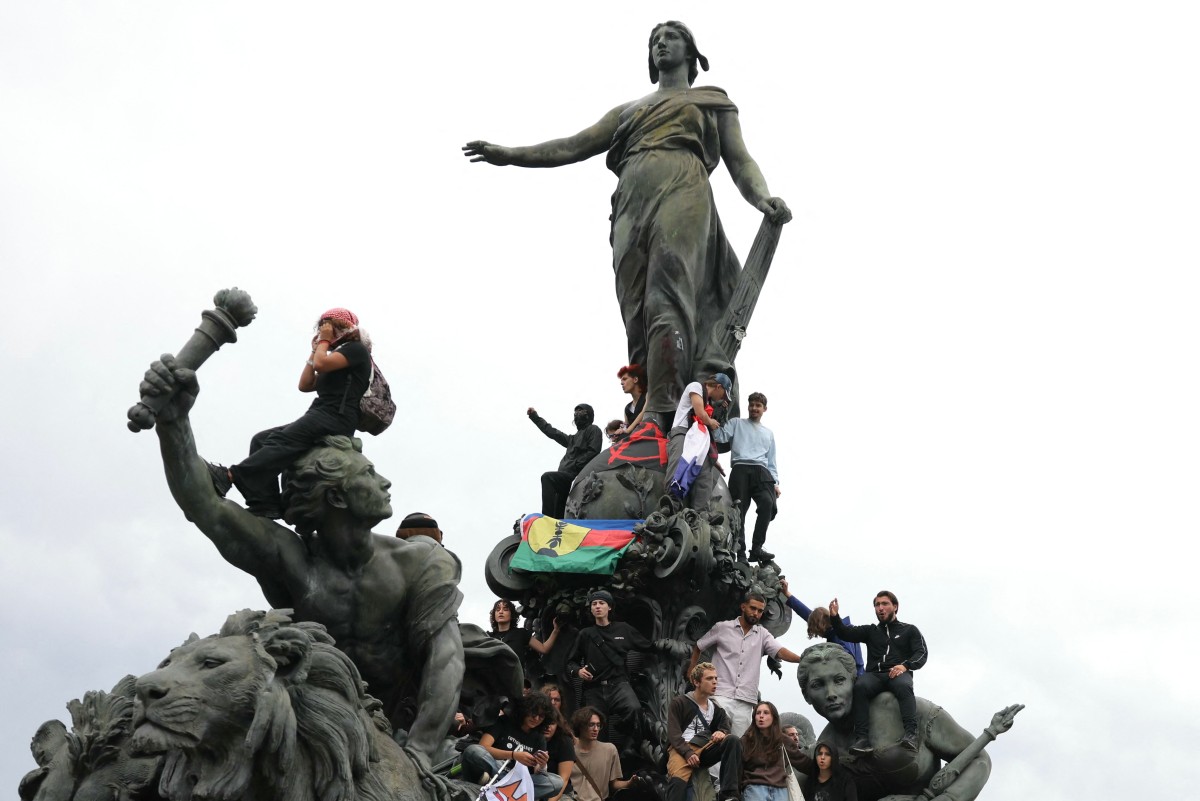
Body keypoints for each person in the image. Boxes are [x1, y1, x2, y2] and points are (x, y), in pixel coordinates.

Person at [139, 356, 470, 765]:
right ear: (336, 496)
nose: (384, 481)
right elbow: (203, 505)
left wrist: (419, 751)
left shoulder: (421, 562)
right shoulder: (290, 561)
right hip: (315, 728)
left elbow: (447, 659)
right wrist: (173, 423)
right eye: (368, 474)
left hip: (409, 730)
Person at [465, 21, 792, 421]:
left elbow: (739, 160)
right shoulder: (629, 111)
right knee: (635, 306)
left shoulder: (711, 101)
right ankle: (644, 403)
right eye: (654, 40)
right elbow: (573, 145)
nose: (660, 44)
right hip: (630, 204)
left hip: (684, 190)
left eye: (670, 38)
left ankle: (665, 404)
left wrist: (762, 197)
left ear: (691, 52)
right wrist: (509, 153)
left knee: (666, 292)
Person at [207, 308, 372, 519]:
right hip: (321, 412)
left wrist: (323, 344)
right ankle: (265, 502)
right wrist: (314, 351)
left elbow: (322, 364)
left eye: (330, 327)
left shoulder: (356, 350)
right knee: (261, 439)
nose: (325, 332)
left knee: (282, 440)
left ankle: (229, 476)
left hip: (337, 417)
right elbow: (305, 384)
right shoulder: (334, 355)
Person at [796, 643, 1010, 801]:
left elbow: (978, 759)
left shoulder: (907, 711)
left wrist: (949, 798)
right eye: (818, 685)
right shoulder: (817, 757)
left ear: (855, 681)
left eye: (839, 680)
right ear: (806, 696)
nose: (831, 693)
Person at [688, 591, 803, 737]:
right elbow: (699, 646)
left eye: (760, 611)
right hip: (719, 694)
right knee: (711, 739)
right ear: (743, 607)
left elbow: (780, 651)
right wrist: (692, 673)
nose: (756, 613)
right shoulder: (722, 628)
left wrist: (801, 658)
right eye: (753, 608)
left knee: (738, 745)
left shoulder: (763, 635)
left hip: (745, 701)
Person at [827, 592, 927, 753]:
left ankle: (911, 735)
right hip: (874, 675)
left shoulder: (910, 630)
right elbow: (845, 633)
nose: (880, 608)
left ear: (895, 607)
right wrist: (835, 616)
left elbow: (921, 653)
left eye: (885, 604)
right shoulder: (870, 631)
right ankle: (862, 740)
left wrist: (905, 666)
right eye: (877, 604)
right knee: (860, 686)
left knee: (904, 686)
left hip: (898, 673)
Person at [566, 591, 659, 748]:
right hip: (594, 688)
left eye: (601, 603)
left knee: (634, 709)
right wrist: (578, 671)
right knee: (597, 733)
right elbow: (570, 662)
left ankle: (626, 738)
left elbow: (648, 646)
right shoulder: (585, 634)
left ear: (609, 607)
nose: (597, 607)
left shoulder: (623, 629)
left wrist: (668, 646)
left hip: (619, 684)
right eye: (594, 604)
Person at [710, 391, 779, 563]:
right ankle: (740, 554)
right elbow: (720, 436)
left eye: (758, 406)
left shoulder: (768, 433)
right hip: (740, 468)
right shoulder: (736, 423)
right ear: (748, 406)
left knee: (768, 503)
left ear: (764, 409)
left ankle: (756, 548)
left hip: (761, 471)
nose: (754, 408)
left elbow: (771, 461)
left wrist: (776, 482)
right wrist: (719, 415)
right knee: (739, 512)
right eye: (752, 405)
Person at [461, 692, 564, 799]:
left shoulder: (539, 737)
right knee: (473, 751)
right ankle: (503, 787)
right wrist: (514, 755)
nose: (536, 719)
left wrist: (542, 765)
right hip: (496, 767)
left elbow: (537, 771)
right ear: (525, 710)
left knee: (556, 783)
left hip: (518, 780)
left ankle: (499, 786)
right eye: (534, 713)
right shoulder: (504, 722)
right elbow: (483, 746)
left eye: (541, 716)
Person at [665, 662, 743, 801]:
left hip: (705, 748)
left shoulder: (716, 708)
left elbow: (725, 726)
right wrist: (687, 753)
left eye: (716, 678)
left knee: (732, 740)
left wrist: (722, 732)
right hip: (682, 749)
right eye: (709, 679)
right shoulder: (679, 702)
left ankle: (729, 795)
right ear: (696, 682)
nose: (714, 682)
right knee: (677, 785)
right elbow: (673, 734)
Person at [665, 373, 732, 506]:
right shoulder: (695, 387)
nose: (723, 398)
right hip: (682, 432)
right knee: (679, 459)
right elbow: (700, 413)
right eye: (724, 394)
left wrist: (712, 457)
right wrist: (711, 421)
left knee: (706, 471)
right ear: (718, 387)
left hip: (699, 438)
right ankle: (671, 502)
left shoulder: (708, 402)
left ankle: (700, 511)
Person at [528, 404, 603, 518]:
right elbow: (552, 432)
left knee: (547, 477)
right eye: (575, 411)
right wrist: (534, 417)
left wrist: (576, 465)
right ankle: (553, 523)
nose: (577, 414)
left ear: (588, 415)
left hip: (576, 475)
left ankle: (546, 518)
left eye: (580, 411)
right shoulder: (572, 439)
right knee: (559, 509)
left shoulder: (593, 429)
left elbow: (593, 451)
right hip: (564, 476)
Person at [780, 580, 864, 676]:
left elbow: (847, 658)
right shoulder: (832, 631)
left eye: (817, 632)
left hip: (856, 678)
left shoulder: (842, 633)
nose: (818, 635)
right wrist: (787, 593)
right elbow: (806, 613)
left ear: (821, 626)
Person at [739, 701, 813, 801]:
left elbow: (802, 761)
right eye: (758, 713)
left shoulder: (783, 740)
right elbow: (737, 766)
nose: (761, 716)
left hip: (780, 790)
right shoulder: (746, 740)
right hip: (755, 788)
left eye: (766, 713)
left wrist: (826, 770)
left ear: (773, 717)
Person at [571, 707, 640, 801]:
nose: (596, 729)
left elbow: (614, 784)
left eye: (598, 725)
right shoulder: (569, 750)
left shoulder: (609, 750)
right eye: (591, 725)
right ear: (580, 726)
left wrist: (629, 783)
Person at [490, 599, 563, 674]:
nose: (501, 612)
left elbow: (544, 649)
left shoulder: (521, 633)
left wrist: (556, 630)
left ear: (511, 614)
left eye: (505, 609)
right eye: (497, 610)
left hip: (515, 681)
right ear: (494, 614)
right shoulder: (488, 637)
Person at [543, 708, 577, 801]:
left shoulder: (564, 742)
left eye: (552, 723)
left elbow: (564, 779)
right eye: (545, 722)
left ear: (557, 725)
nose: (548, 727)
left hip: (561, 792)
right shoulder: (533, 738)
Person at [617, 364, 648, 429]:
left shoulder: (647, 396)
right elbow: (625, 427)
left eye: (625, 379)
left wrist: (627, 430)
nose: (621, 383)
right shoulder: (627, 408)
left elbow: (643, 413)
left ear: (635, 379)